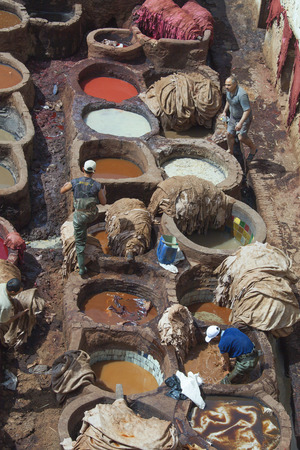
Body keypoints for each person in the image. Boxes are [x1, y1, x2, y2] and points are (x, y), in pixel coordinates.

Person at [60, 160, 107, 276]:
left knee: (80, 243)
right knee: (91, 202)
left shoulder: (75, 182)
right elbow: (104, 202)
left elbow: (62, 191)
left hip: (80, 216)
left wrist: (67, 184)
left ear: (83, 169)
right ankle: (84, 233)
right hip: (92, 215)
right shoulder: (97, 185)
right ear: (94, 172)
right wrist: (103, 193)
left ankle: (81, 268)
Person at [221, 75, 258, 163]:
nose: (226, 87)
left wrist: (240, 123)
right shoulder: (228, 91)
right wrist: (224, 112)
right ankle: (230, 150)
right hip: (233, 116)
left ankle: (253, 148)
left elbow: (247, 110)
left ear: (235, 84)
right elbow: (228, 100)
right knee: (229, 134)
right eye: (226, 84)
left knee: (241, 137)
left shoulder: (242, 95)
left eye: (229, 85)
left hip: (243, 118)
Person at [0, 278, 28, 343]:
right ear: (13, 292)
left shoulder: (3, 285)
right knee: (3, 328)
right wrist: (20, 314)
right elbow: (6, 322)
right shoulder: (6, 305)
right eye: (19, 292)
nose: (19, 293)